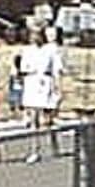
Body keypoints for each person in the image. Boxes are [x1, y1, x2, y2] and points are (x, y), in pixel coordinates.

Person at [22, 26, 65, 163]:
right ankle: (35, 150)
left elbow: (57, 69)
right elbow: (24, 67)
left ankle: (55, 146)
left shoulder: (51, 50)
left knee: (48, 119)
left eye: (38, 35)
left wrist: (58, 87)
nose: (35, 38)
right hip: (32, 83)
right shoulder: (27, 50)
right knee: (33, 119)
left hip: (46, 84)